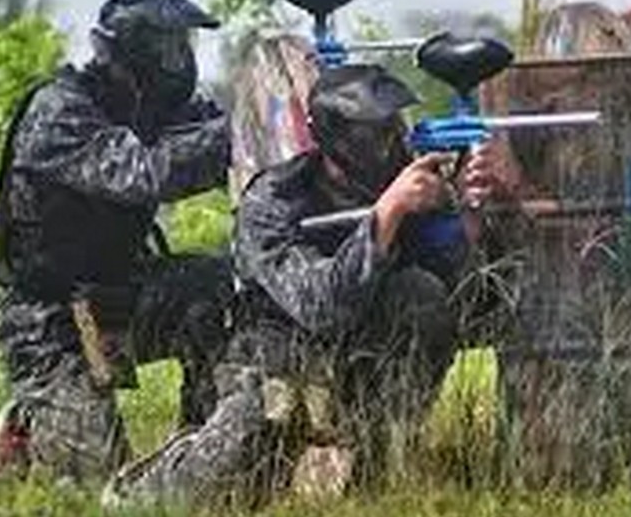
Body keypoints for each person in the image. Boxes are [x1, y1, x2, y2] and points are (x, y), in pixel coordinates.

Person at [103, 63, 521, 508]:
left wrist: (471, 217)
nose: (394, 143)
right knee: (229, 475)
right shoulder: (274, 202)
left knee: (420, 296)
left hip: (360, 356)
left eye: (395, 127)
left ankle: (378, 458)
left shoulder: (410, 184)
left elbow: (468, 297)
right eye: (378, 134)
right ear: (341, 142)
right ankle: (148, 482)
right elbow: (322, 307)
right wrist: (388, 215)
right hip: (272, 362)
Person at [0, 0, 234, 485]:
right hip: (48, 321)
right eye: (173, 47)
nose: (183, 60)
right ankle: (25, 424)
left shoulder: (155, 107)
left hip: (119, 294)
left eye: (185, 47)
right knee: (97, 484)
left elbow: (221, 139)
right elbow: (142, 172)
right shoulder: (60, 109)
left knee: (220, 288)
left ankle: (202, 444)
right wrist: (237, 134)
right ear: (138, 51)